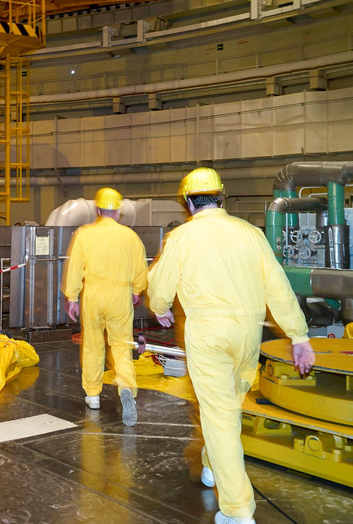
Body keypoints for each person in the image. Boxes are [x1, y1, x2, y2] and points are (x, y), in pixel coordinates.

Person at [147, 167, 315, 524]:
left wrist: (159, 308)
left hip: (209, 335)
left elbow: (160, 289)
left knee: (220, 416)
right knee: (229, 408)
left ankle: (238, 511)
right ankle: (212, 466)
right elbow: (278, 288)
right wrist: (298, 336)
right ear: (222, 196)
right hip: (249, 334)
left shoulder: (182, 238)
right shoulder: (251, 233)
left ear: (189, 202)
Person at [63, 187, 148, 426]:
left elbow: (75, 268)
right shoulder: (131, 237)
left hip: (93, 294)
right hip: (120, 294)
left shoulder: (85, 234)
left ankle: (93, 395)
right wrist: (135, 290)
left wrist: (72, 298)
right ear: (119, 212)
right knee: (121, 345)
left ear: (98, 210)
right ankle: (127, 388)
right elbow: (141, 270)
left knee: (92, 343)